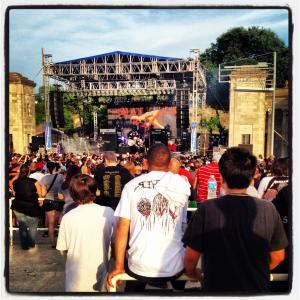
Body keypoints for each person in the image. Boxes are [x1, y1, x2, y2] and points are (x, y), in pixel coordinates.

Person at [183, 147, 288, 293]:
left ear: (221, 178)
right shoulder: (268, 209)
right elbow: (278, 255)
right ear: (252, 178)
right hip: (257, 289)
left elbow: (190, 259)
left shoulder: (207, 209)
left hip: (216, 289)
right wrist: (256, 271)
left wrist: (196, 275)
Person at [106, 143, 191, 292]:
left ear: (145, 163)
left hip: (139, 264)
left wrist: (119, 266)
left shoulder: (131, 186)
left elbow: (122, 228)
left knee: (133, 289)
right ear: (170, 163)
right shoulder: (182, 185)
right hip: (174, 265)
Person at [56, 174, 116, 292]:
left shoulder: (68, 217)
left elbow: (63, 248)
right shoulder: (108, 212)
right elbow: (115, 243)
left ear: (72, 194)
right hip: (101, 275)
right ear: (95, 191)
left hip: (75, 279)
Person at [10, 164, 42, 250]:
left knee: (22, 225)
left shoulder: (16, 182)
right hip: (31, 206)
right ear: (28, 172)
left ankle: (24, 245)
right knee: (32, 225)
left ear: (20, 172)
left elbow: (12, 187)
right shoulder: (34, 182)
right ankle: (31, 243)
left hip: (18, 206)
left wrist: (17, 176)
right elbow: (41, 194)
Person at [37, 161, 65, 248]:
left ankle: (53, 243)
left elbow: (43, 193)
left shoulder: (44, 178)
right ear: (55, 168)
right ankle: (61, 242)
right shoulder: (61, 177)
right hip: (59, 201)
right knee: (58, 223)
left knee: (51, 223)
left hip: (48, 201)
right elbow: (64, 188)